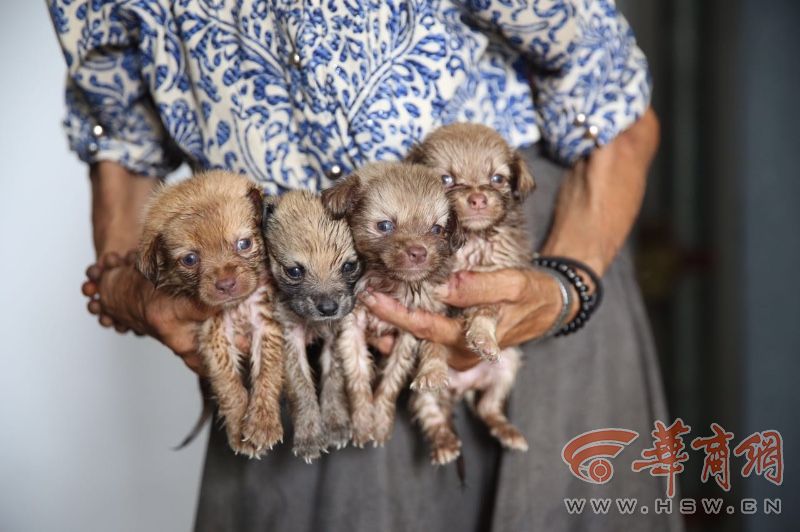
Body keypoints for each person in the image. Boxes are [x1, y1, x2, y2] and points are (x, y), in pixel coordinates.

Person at [51, 1, 680, 530]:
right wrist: (127, 281)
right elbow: (119, 134)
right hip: (284, 292)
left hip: (515, 274)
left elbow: (619, 115)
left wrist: (564, 285)